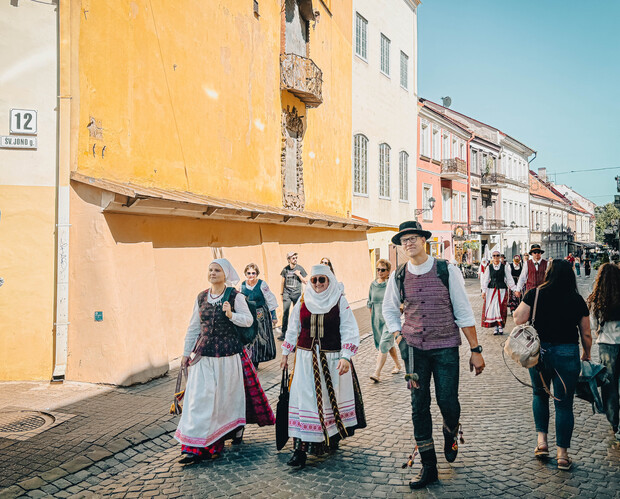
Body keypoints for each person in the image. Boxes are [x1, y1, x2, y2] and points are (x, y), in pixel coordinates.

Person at [382, 221, 485, 489]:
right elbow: (389, 310)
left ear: (423, 240)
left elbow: (463, 310)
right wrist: (398, 335)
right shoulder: (399, 275)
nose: (409, 243)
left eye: (414, 238)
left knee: (448, 401)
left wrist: (475, 350)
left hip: (446, 347)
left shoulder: (445, 269)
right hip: (414, 350)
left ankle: (450, 431)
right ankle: (429, 467)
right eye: (404, 240)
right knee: (419, 405)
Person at [175, 259, 275, 463]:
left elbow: (248, 320)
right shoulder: (202, 297)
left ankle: (220, 438)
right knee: (198, 401)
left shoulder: (235, 296)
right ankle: (194, 446)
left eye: (217, 270)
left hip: (228, 356)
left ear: (225, 274)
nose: (212, 273)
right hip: (203, 356)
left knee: (223, 402)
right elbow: (194, 327)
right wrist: (186, 353)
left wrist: (231, 315)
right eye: (210, 269)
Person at [279, 264, 361, 468]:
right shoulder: (303, 300)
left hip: (331, 361)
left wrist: (346, 356)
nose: (317, 284)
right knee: (304, 403)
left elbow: (349, 329)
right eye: (314, 280)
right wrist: (285, 353)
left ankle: (329, 438)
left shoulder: (339, 300)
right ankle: (299, 451)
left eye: (321, 280)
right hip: (305, 360)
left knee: (326, 402)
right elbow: (293, 327)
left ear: (330, 280)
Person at [513, 260, 592, 471]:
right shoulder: (576, 299)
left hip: (540, 353)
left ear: (548, 273)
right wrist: (587, 353)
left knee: (539, 395)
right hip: (567, 353)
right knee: (564, 404)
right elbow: (586, 332)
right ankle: (563, 456)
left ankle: (542, 443)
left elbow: (518, 319)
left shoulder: (535, 293)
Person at [587, 263, 620, 440]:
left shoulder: (597, 298)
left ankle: (614, 421)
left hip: (607, 344)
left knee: (610, 385)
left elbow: (592, 325)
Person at [367, 259, 402, 382]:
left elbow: (398, 300)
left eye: (383, 270)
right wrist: (373, 319)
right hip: (377, 319)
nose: (380, 272)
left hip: (389, 320)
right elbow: (370, 303)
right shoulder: (373, 284)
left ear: (388, 272)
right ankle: (398, 365)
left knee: (383, 344)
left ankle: (377, 373)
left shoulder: (390, 284)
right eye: (378, 269)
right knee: (389, 344)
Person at [241, 263, 278, 369]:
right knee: (249, 336)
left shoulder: (262, 284)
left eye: (253, 273)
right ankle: (251, 359)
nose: (251, 275)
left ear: (257, 274)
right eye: (249, 273)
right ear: (246, 274)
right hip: (248, 313)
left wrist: (274, 315)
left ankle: (257, 360)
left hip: (261, 313)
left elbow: (270, 298)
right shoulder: (242, 285)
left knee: (260, 337)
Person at [481, 251, 518, 335]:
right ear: (492, 257)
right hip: (491, 290)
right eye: (494, 256)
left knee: (500, 307)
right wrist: (483, 291)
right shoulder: (489, 267)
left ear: (500, 257)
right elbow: (486, 280)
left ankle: (500, 326)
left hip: (501, 290)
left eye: (497, 256)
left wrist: (514, 289)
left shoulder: (504, 267)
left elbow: (509, 279)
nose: (496, 257)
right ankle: (495, 326)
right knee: (493, 308)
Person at [278, 252, 308, 341]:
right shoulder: (285, 269)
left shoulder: (300, 268)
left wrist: (299, 275)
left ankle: (300, 332)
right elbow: (282, 282)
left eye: (296, 258)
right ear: (288, 260)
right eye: (293, 258)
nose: (295, 259)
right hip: (287, 294)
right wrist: (282, 294)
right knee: (285, 313)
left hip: (297, 294)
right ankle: (284, 333)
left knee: (298, 313)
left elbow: (305, 281)